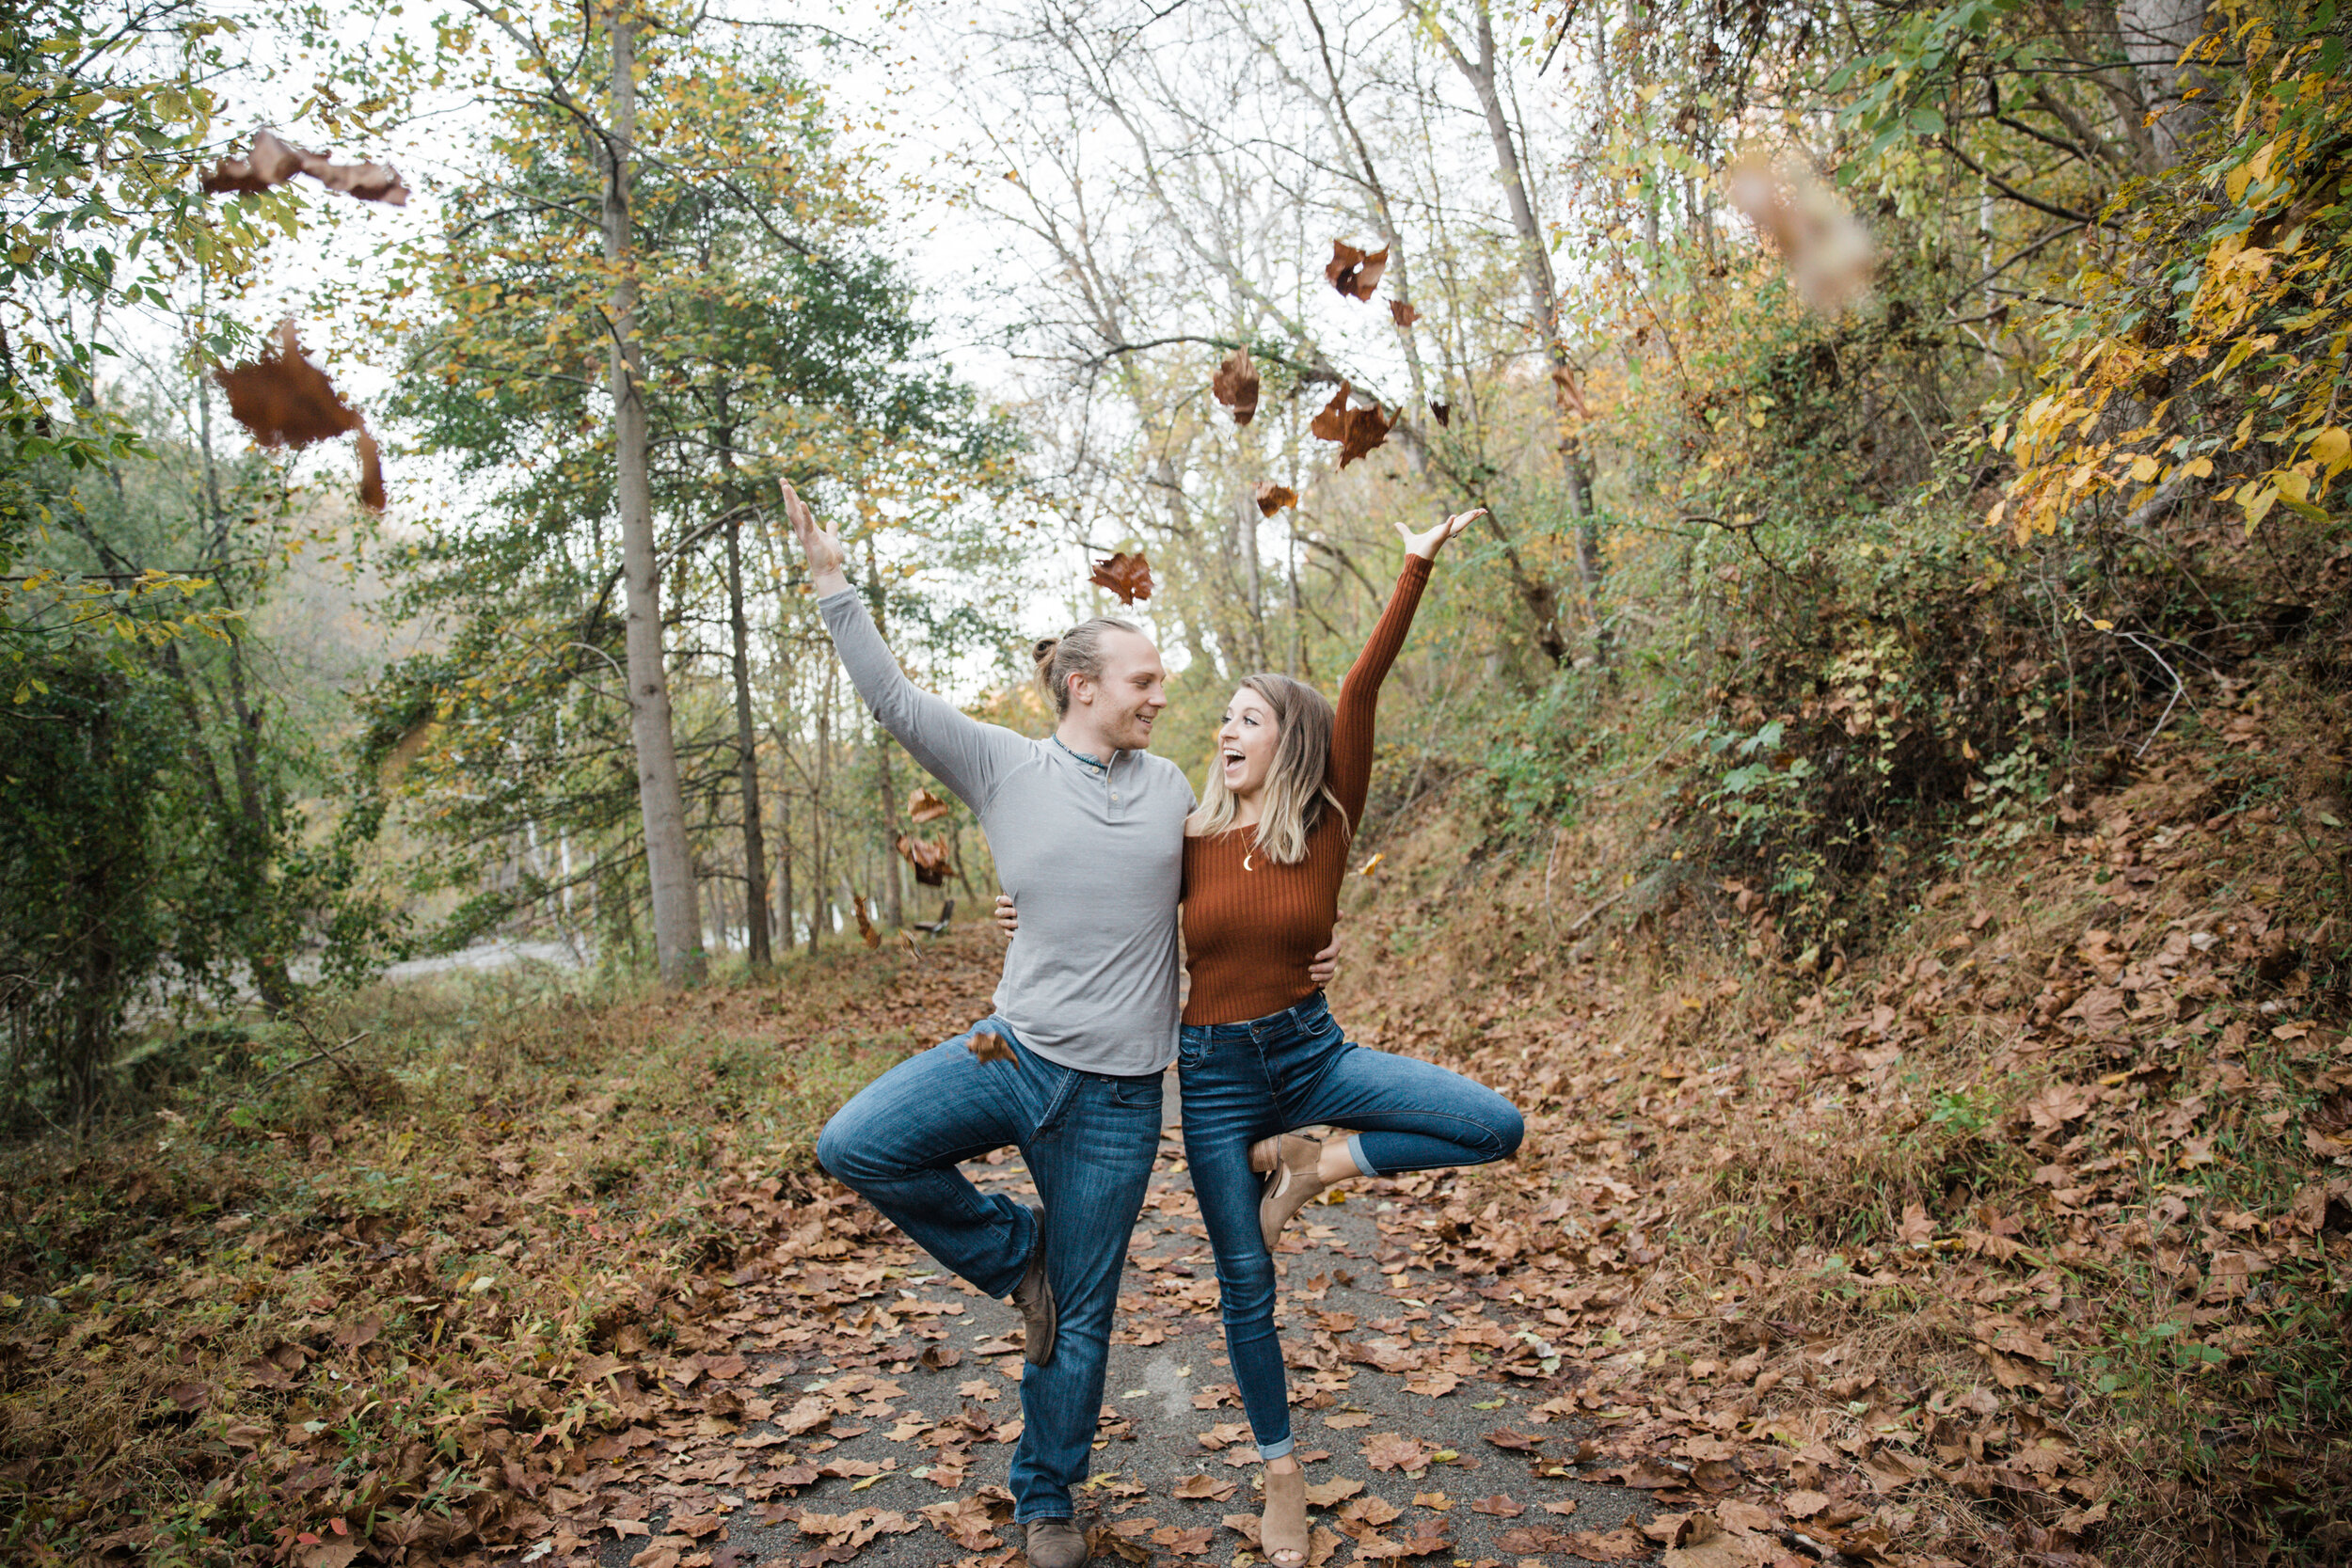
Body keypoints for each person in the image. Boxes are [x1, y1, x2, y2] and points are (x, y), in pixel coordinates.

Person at [781, 480, 1333, 1568]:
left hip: (1123, 1092)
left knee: (1083, 1317)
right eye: (1143, 680)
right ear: (1083, 687)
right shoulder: (1002, 765)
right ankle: (1015, 1254)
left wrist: (1302, 941)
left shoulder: (1174, 781)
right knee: (855, 1142)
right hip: (1009, 1045)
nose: (1161, 696)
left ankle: (1047, 1500)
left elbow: (1244, 870)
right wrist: (831, 580)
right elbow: (892, 699)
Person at [996, 509, 1523, 1567]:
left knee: (1490, 1124)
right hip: (1215, 1078)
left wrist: (1413, 559)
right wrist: (1021, 915)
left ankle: (1319, 1160)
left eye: (1249, 717)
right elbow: (1085, 889)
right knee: (1247, 1286)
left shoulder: (1327, 819)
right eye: (1221, 717)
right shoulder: (1180, 839)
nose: (1224, 729)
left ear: (1287, 739)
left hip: (1311, 1051)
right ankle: (1282, 1470)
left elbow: (1364, 688)